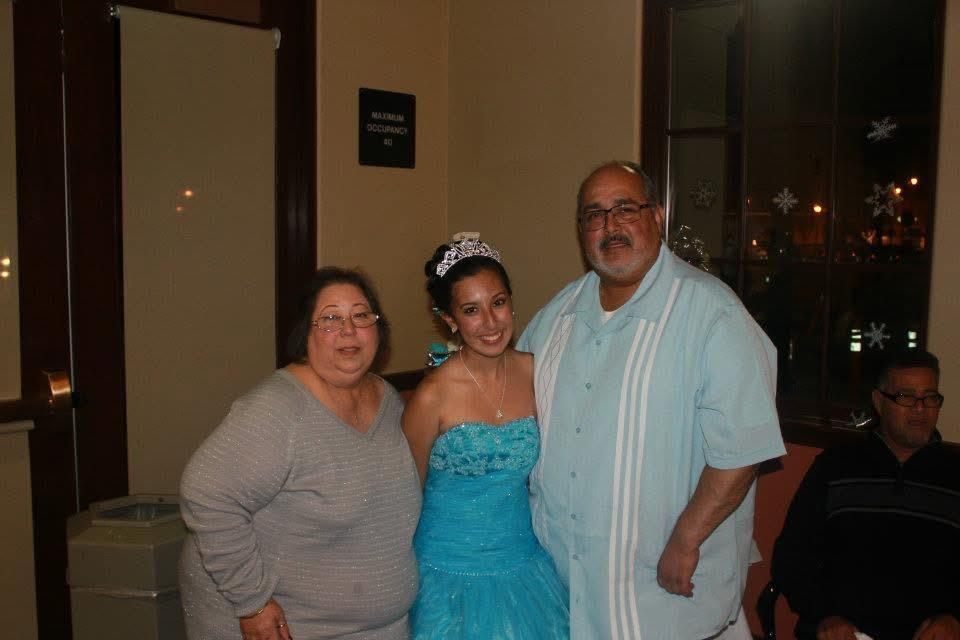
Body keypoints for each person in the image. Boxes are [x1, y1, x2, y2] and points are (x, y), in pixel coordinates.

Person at [516, 161, 785, 639]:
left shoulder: (712, 314)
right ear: (581, 229)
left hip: (662, 584)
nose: (610, 226)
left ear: (657, 216)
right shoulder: (555, 317)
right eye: (594, 214)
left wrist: (686, 538)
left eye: (626, 209)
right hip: (563, 583)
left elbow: (743, 450)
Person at [179, 267, 421, 640]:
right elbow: (206, 493)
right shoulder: (279, 409)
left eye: (360, 315)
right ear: (304, 334)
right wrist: (252, 602)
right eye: (330, 319)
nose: (348, 330)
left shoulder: (388, 400)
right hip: (287, 627)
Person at [402, 234, 569, 639]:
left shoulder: (538, 373)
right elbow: (403, 496)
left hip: (523, 565)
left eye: (498, 302)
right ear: (450, 320)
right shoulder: (432, 394)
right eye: (471, 310)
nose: (491, 323)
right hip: (445, 575)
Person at [772, 349, 960, 640]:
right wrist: (823, 615)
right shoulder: (836, 467)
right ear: (878, 401)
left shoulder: (954, 475)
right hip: (844, 632)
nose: (920, 409)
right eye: (906, 397)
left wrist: (954, 619)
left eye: (930, 397)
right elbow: (792, 555)